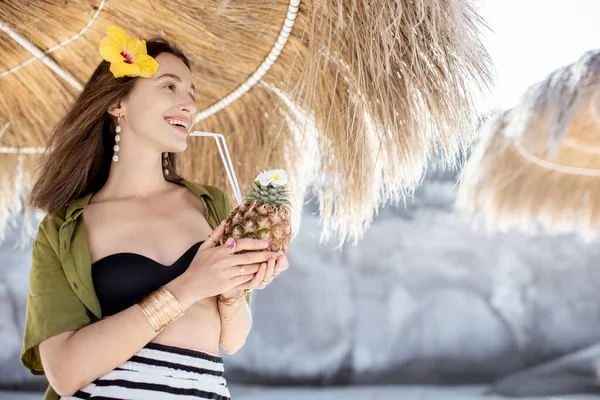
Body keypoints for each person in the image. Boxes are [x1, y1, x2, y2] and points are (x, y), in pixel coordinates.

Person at [20, 26, 289, 400]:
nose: (189, 105)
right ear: (118, 104)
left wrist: (232, 292)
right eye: (169, 87)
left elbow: (233, 340)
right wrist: (190, 285)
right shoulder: (64, 229)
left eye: (192, 94)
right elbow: (64, 373)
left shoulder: (214, 205)